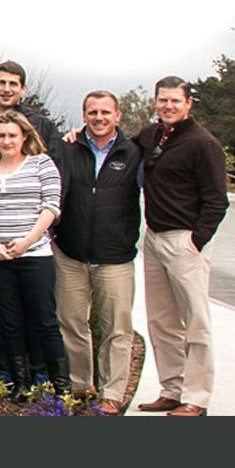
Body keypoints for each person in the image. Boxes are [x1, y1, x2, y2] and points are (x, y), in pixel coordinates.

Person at [0, 59, 64, 387]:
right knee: (5, 319)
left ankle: (51, 381)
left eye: (12, 135)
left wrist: (28, 241)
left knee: (42, 318)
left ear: (24, 136)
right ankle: (14, 380)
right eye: (1, 135)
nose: (6, 140)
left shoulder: (42, 161)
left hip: (33, 252)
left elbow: (51, 204)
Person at [132, 76, 229, 417]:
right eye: (163, 100)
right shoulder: (151, 135)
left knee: (195, 322)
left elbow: (217, 200)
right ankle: (172, 389)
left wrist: (196, 241)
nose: (168, 106)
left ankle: (196, 397)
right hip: (154, 238)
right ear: (155, 102)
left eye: (175, 100)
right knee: (162, 321)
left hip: (185, 241)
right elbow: (117, 147)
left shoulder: (203, 144)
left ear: (188, 103)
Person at [50, 91, 144, 415]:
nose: (99, 118)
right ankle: (80, 385)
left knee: (117, 329)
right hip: (70, 254)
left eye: (106, 112)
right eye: (93, 112)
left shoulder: (133, 153)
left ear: (117, 116)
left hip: (115, 258)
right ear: (84, 115)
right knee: (71, 322)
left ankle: (112, 392)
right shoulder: (68, 149)